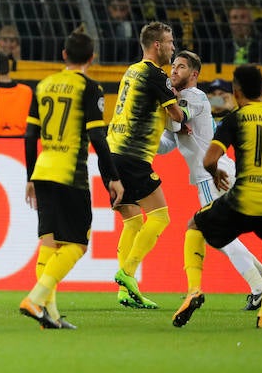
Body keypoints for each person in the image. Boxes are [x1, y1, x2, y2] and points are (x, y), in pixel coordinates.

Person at [172, 64, 262, 330]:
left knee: (195, 225)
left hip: (243, 199)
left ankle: (194, 289)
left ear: (235, 91)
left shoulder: (236, 119)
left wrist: (214, 172)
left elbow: (208, 159)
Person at [19, 27, 124, 330]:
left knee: (50, 243)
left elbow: (30, 135)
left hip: (42, 169)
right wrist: (112, 178)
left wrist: (29, 177)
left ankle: (48, 314)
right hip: (69, 172)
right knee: (77, 244)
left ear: (64, 55)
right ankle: (36, 299)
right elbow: (97, 136)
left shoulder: (43, 85)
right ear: (92, 58)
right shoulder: (90, 88)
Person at [157, 51, 262, 309]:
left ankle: (258, 286)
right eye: (173, 66)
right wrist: (147, 139)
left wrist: (160, 106)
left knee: (217, 233)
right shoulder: (181, 100)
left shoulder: (194, 96)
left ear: (194, 75)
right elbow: (166, 144)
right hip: (217, 171)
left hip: (211, 174)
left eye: (181, 67)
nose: (174, 71)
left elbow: (176, 121)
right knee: (222, 233)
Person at [109, 21, 187, 309]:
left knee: (132, 221)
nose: (172, 47)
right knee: (160, 217)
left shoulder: (132, 71)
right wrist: (185, 113)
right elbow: (177, 116)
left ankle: (125, 292)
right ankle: (127, 273)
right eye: (169, 42)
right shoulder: (156, 75)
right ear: (157, 45)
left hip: (113, 153)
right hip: (133, 155)